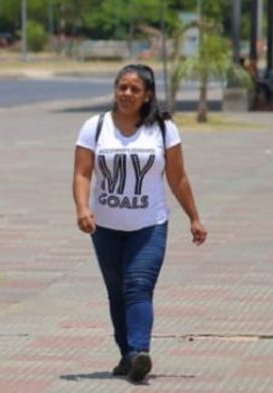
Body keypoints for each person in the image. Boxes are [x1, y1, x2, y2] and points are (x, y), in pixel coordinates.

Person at [72, 64, 207, 382]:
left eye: (135, 89)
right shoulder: (96, 126)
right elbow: (82, 173)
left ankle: (139, 351)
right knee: (116, 293)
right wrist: (82, 208)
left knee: (138, 287)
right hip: (104, 226)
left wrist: (194, 218)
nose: (127, 94)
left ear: (147, 95)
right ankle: (127, 356)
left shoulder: (162, 129)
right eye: (122, 87)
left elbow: (178, 177)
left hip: (150, 224)